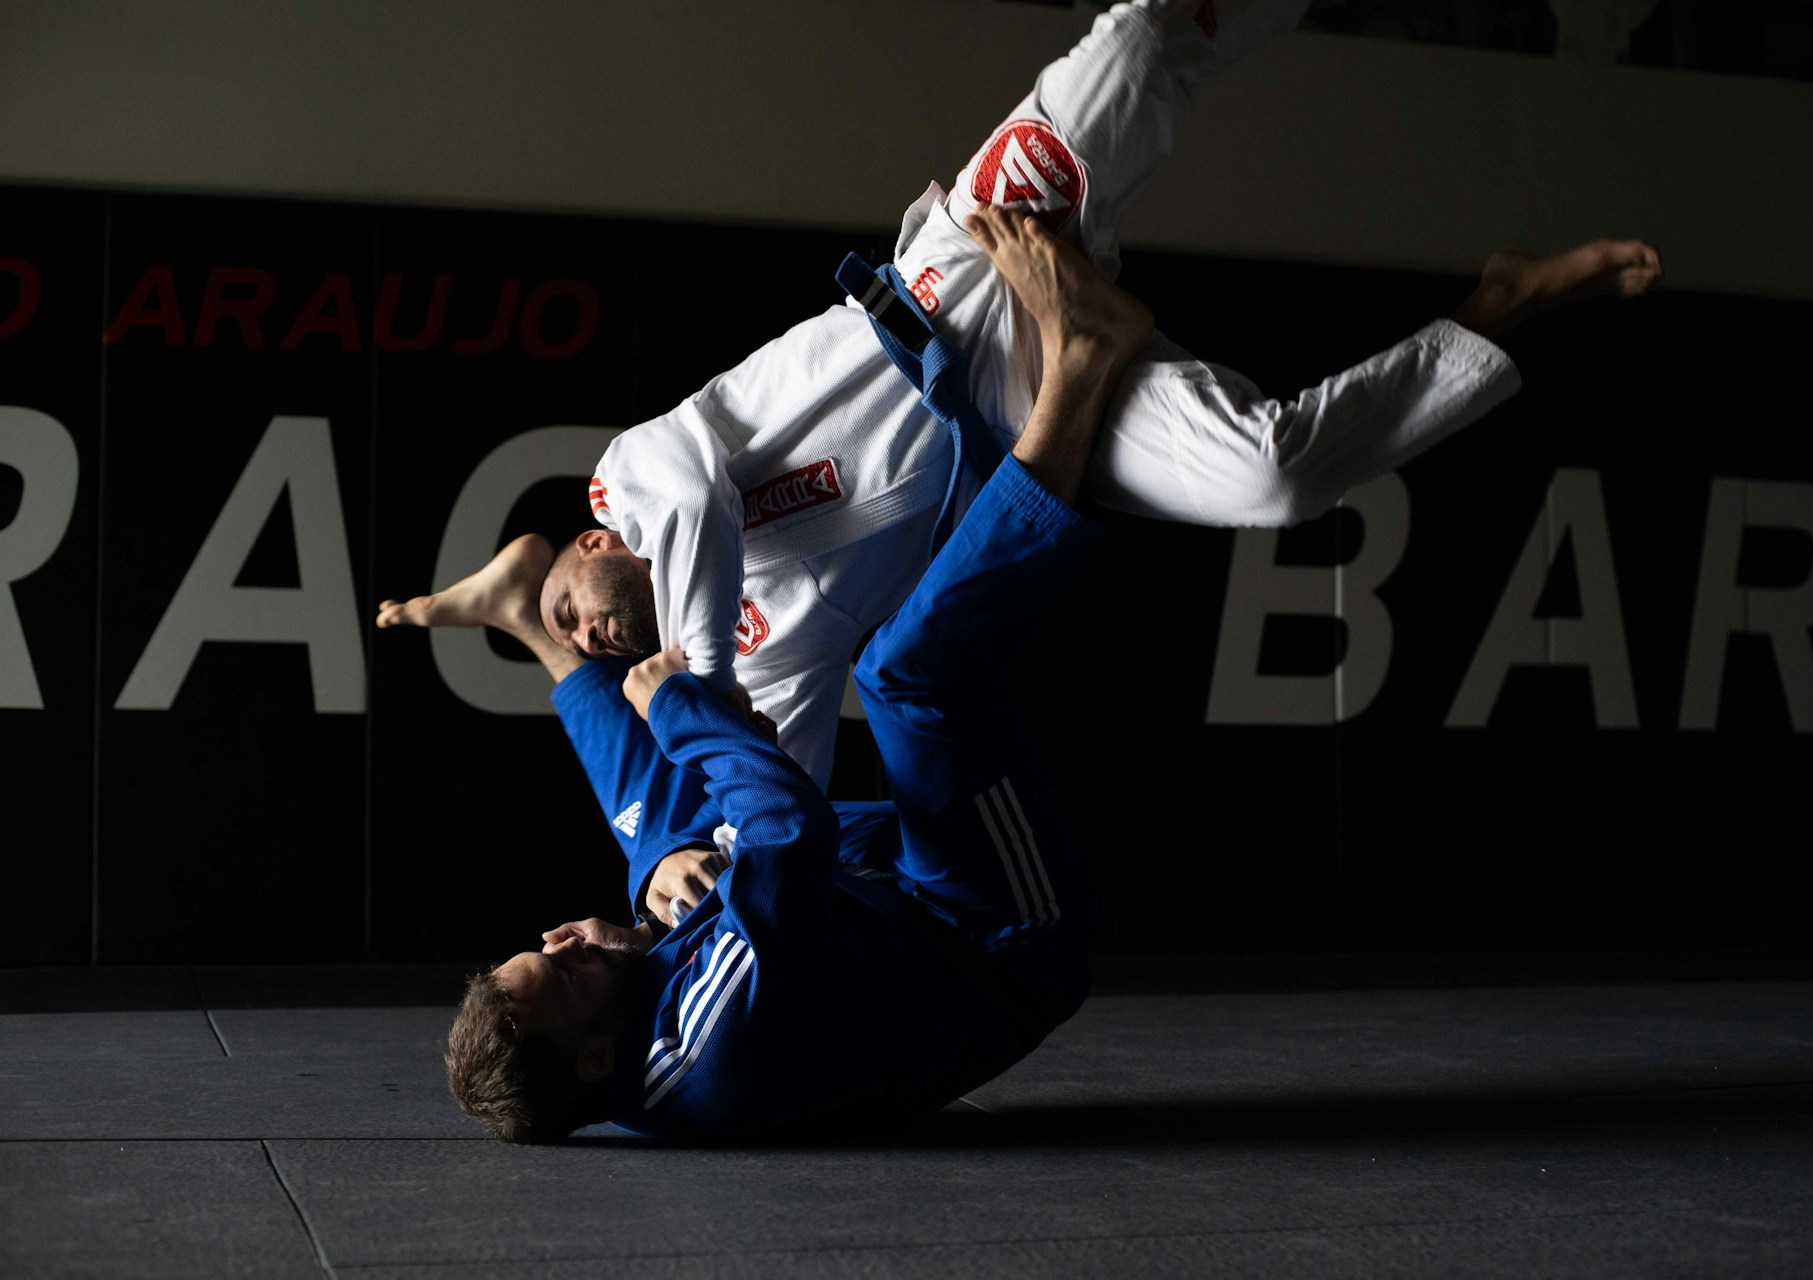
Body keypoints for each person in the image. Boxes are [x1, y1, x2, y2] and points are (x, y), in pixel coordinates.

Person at [379, 0, 1664, 805]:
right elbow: (766, 800)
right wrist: (673, 845)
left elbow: (705, 508)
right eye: (570, 638)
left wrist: (690, 679)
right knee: (1274, 479)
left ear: (592, 542)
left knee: (1146, 41)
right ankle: (1497, 313)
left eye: (565, 608)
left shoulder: (635, 476)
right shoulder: (767, 656)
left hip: (956, 271)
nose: (592, 634)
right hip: (1034, 396)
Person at [446, 204, 1165, 1142]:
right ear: (592, 1059)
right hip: (995, 934)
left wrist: (669, 869)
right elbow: (791, 829)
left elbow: (732, 868)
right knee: (908, 679)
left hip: (883, 899)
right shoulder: (702, 1054)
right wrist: (680, 709)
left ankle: (545, 648)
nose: (560, 938)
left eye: (539, 947)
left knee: (673, 858)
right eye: (562, 970)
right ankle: (1082, 364)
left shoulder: (621, 1031)